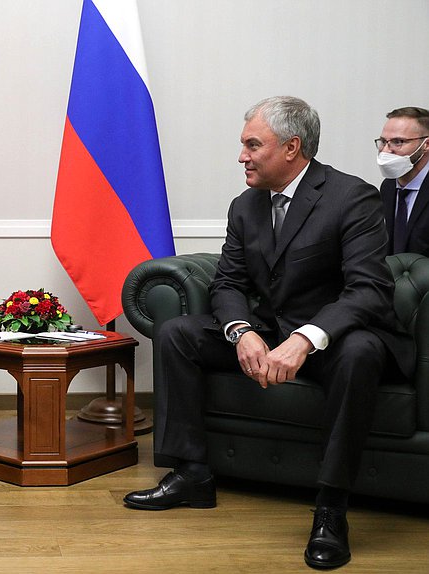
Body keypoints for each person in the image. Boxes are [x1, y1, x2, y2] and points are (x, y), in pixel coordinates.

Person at [123, 96, 414, 569]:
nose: (242, 156)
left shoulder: (351, 197)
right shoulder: (245, 205)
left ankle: (331, 509)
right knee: (178, 332)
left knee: (360, 351)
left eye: (252, 145)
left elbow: (369, 290)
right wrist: (241, 332)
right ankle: (192, 473)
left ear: (292, 147)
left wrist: (305, 339)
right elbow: (229, 282)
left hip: (336, 336)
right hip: (269, 329)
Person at [376, 106, 429, 255]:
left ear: (426, 145)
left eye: (398, 142)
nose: (386, 150)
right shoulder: (388, 186)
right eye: (383, 142)